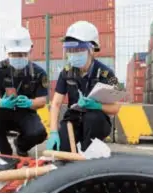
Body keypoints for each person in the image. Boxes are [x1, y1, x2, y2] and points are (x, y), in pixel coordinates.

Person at [46, 21, 120, 153]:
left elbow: (116, 107)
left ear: (91, 49)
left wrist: (97, 106)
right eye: (70, 50)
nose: (73, 54)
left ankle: (89, 150)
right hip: (73, 119)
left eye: (79, 49)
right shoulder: (66, 72)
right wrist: (53, 132)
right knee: (60, 149)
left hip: (95, 120)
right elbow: (56, 104)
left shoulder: (107, 74)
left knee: (92, 121)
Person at [0, 26, 48, 157]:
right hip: (4, 112)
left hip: (26, 113)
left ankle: (21, 145)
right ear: (6, 51)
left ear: (30, 51)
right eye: (13, 54)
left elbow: (43, 101)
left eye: (22, 54)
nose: (17, 57)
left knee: (39, 133)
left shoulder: (39, 73)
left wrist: (30, 103)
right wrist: (1, 102)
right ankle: (5, 150)